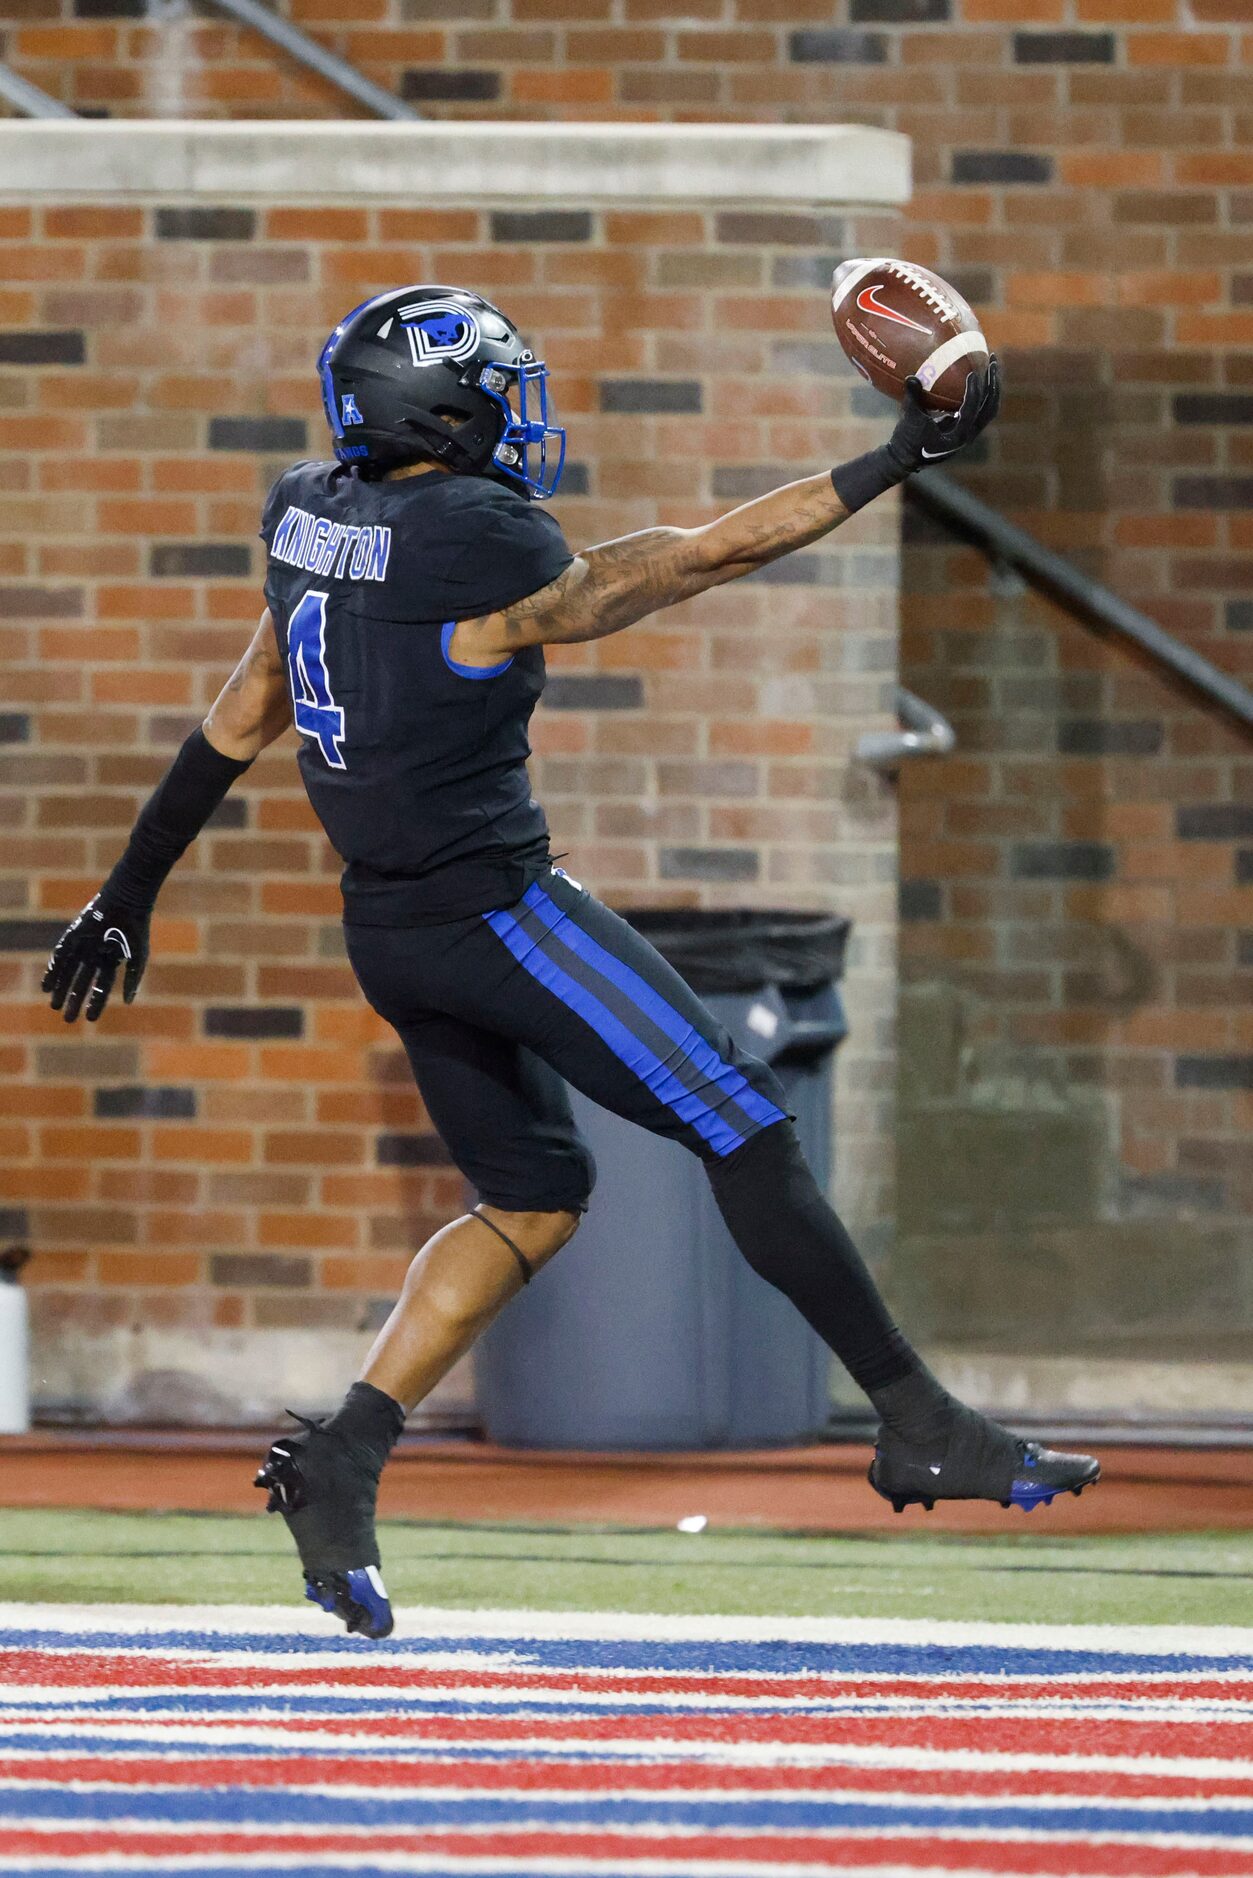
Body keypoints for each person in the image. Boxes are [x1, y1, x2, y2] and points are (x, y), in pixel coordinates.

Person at [43, 285, 1099, 1639]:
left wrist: (127, 891)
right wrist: (896, 456)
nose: (516, 412)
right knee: (745, 1120)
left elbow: (244, 712)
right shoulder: (472, 534)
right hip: (495, 916)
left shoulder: (310, 512)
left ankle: (344, 1453)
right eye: (495, 387)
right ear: (441, 406)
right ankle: (916, 1420)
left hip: (390, 932)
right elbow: (692, 559)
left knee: (534, 1195)